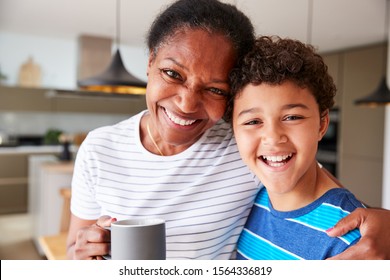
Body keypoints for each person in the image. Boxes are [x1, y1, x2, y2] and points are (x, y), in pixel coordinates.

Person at [66, 0, 390, 260]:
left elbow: (313, 181)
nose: (187, 103)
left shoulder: (241, 144)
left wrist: (381, 218)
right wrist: (81, 252)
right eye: (172, 73)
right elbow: (73, 250)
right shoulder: (98, 149)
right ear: (151, 61)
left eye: (215, 90)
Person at [227, 36, 365, 259]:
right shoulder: (247, 199)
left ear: (322, 124)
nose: (272, 138)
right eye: (253, 121)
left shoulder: (353, 242)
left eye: (292, 117)